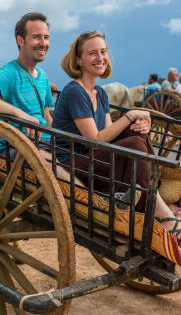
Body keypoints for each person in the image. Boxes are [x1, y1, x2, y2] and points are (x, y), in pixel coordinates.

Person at [52, 30, 181, 241]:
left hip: (94, 160)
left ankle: (149, 202)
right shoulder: (74, 91)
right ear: (79, 60)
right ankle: (160, 213)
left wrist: (140, 126)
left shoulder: (99, 93)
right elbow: (94, 139)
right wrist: (130, 115)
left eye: (103, 52)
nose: (100, 58)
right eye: (93, 53)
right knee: (133, 140)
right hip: (72, 162)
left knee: (133, 134)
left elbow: (111, 135)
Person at [0, 12, 81, 184]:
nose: (43, 43)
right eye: (36, 37)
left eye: (46, 37)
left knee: (85, 157)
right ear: (20, 40)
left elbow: (46, 117)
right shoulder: (10, 73)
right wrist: (19, 113)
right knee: (45, 160)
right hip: (17, 147)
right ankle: (100, 206)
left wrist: (63, 138)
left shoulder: (42, 76)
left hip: (43, 143)